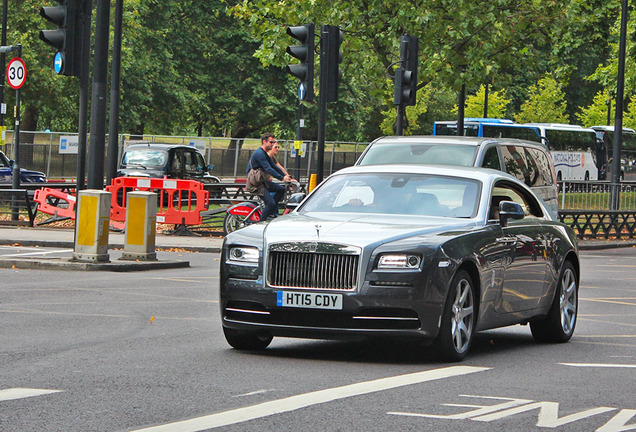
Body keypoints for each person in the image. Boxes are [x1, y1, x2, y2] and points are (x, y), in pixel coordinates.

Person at [247, 133, 292, 221]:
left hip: (262, 181)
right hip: (256, 183)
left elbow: (274, 166)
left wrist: (286, 176)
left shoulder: (264, 154)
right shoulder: (260, 153)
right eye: (271, 142)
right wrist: (282, 178)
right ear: (264, 142)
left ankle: (270, 213)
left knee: (281, 189)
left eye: (274, 142)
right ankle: (261, 223)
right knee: (270, 203)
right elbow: (268, 169)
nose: (273, 144)